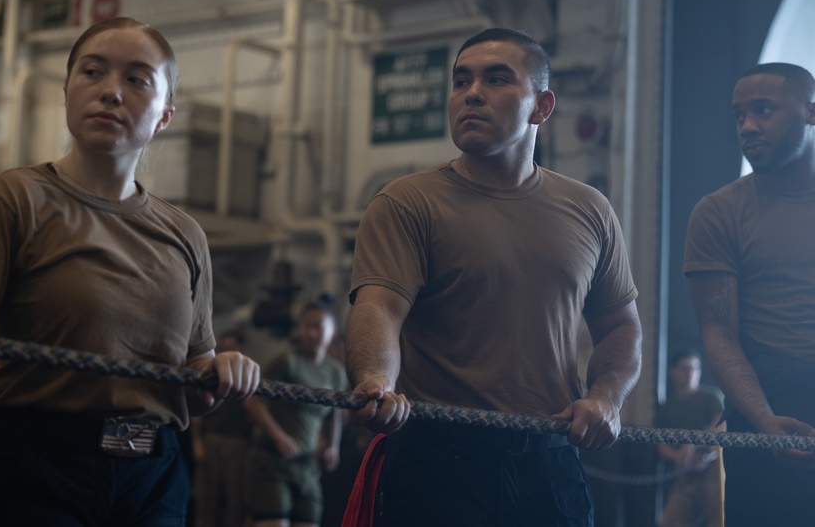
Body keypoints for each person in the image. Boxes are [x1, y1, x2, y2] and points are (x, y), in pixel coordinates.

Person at [0, 17, 262, 526]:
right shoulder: (12, 198)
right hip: (34, 469)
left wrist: (224, 371)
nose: (110, 92)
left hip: (152, 477)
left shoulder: (186, 235)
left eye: (137, 79)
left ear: (165, 114)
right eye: (92, 72)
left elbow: (194, 380)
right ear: (66, 92)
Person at [345, 27, 643, 526]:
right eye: (461, 81)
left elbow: (620, 327)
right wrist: (376, 380)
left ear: (541, 107)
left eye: (497, 79)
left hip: (550, 461)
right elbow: (379, 308)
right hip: (437, 461)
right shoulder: (405, 202)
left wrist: (605, 398)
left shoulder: (590, 209)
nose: (472, 94)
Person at [684, 61, 815, 525]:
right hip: (768, 411)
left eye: (764, 110)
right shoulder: (719, 212)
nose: (748, 126)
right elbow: (718, 332)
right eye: (739, 115)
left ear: (810, 112)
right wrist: (762, 421)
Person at [244, 297, 348, 527]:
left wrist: (333, 446)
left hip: (308, 466)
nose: (312, 332)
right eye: (307, 326)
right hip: (274, 462)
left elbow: (334, 415)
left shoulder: (335, 372)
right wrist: (280, 437)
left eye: (318, 326)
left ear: (332, 331)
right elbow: (253, 401)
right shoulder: (286, 361)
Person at [191, 330, 253, 527]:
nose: (228, 351)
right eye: (225, 347)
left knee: (235, 501)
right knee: (207, 499)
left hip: (237, 444)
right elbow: (197, 414)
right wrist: (197, 442)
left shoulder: (249, 377)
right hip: (213, 440)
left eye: (232, 346)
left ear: (242, 349)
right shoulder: (213, 375)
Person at [655, 350, 723, 527]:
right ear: (673, 372)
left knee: (719, 520)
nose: (690, 372)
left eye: (694, 368)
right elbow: (660, 442)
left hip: (713, 471)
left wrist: (693, 444)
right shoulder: (666, 407)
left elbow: (720, 426)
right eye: (685, 368)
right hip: (685, 472)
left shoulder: (711, 397)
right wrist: (678, 457)